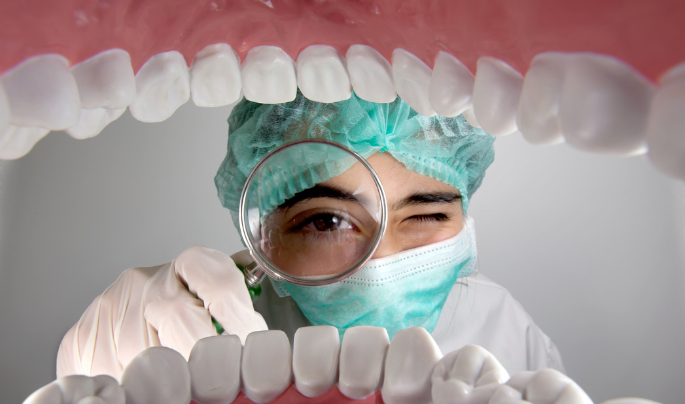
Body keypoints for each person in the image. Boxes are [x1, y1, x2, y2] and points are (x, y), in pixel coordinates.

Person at [56, 91, 564, 380]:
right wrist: (94, 379)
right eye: (327, 221)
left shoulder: (508, 334)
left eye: (426, 216)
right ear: (265, 231)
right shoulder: (202, 331)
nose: (380, 267)